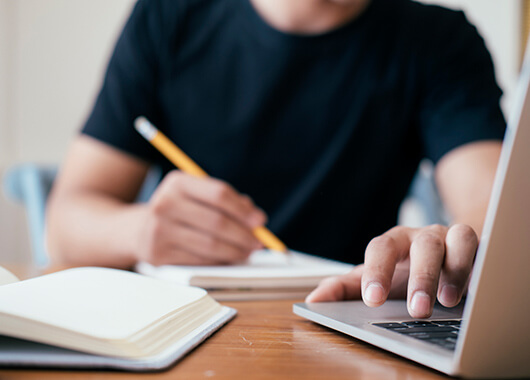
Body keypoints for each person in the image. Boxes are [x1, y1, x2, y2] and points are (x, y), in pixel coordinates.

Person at [46, 0, 505, 319]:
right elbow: (65, 224)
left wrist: (448, 253)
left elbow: (493, 214)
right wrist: (140, 230)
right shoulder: (169, 17)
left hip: (346, 317)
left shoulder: (440, 41)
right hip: (185, 320)